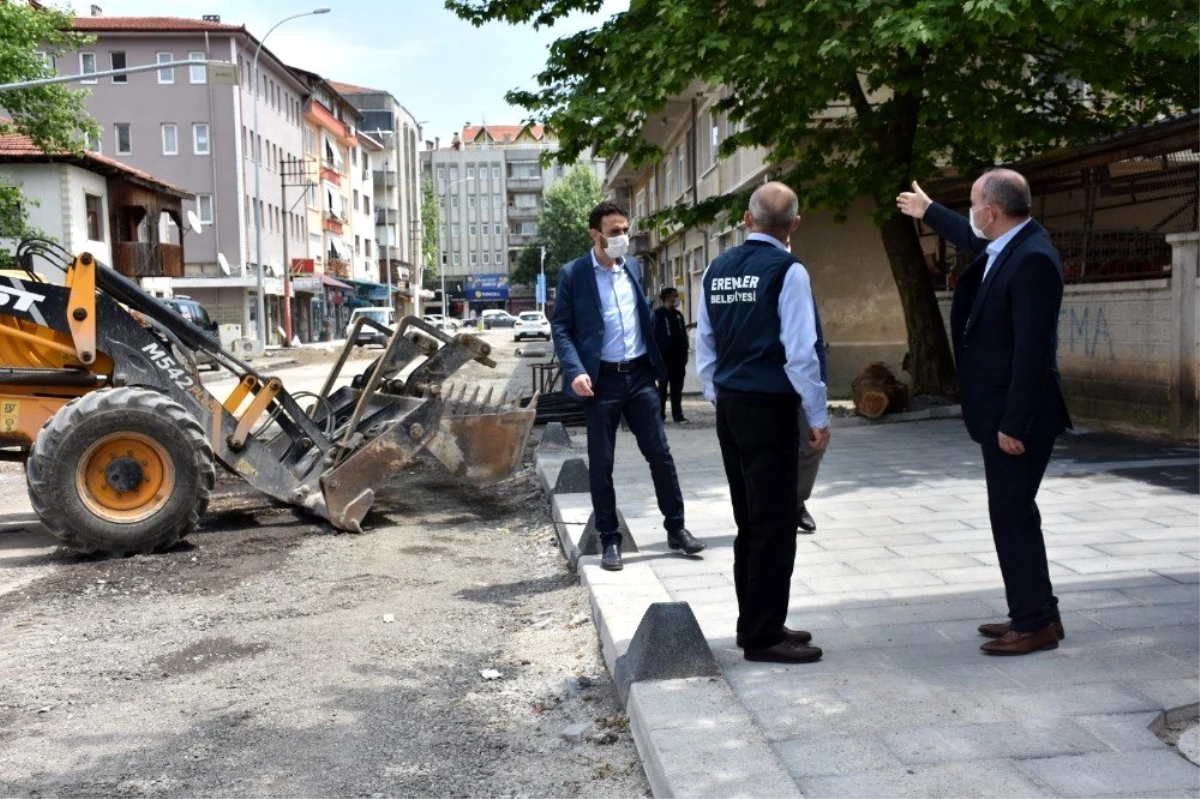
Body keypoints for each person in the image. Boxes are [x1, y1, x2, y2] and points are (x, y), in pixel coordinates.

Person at [897, 169, 1071, 656]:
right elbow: (975, 242)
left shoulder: (1032, 259)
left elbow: (1033, 353)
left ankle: (1033, 622)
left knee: (1011, 515)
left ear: (991, 211)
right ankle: (1039, 611)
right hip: (1004, 412)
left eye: (974, 204)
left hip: (1020, 417)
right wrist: (930, 211)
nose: (972, 214)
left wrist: (1014, 423)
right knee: (1016, 513)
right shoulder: (1013, 245)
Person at [696, 182, 829, 664]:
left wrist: (718, 394)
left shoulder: (716, 269)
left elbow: (705, 345)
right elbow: (801, 353)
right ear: (793, 225)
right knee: (775, 523)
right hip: (770, 407)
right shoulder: (788, 271)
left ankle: (756, 621)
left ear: (747, 221)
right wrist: (817, 414)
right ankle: (762, 635)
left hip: (731, 406)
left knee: (750, 522)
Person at [551, 201, 707, 572]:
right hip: (600, 380)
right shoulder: (573, 274)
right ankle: (609, 539)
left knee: (661, 455)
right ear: (595, 234)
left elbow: (642, 316)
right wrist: (575, 369)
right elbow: (561, 327)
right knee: (602, 463)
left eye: (625, 230)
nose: (623, 237)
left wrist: (654, 365)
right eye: (615, 232)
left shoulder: (633, 268)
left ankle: (677, 528)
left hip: (639, 377)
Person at [796, 301, 827, 534]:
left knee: (813, 445)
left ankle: (797, 502)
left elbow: (814, 341)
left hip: (799, 383)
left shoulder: (794, 278)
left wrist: (819, 389)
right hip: (758, 385)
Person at [652, 287, 691, 424]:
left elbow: (683, 336)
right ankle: (660, 416)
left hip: (678, 359)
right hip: (664, 359)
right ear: (667, 298)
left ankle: (678, 415)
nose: (676, 299)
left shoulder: (678, 315)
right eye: (674, 296)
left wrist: (685, 352)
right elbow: (652, 337)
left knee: (677, 388)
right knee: (661, 389)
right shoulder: (657, 315)